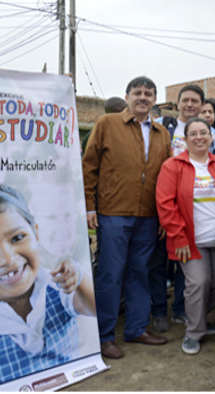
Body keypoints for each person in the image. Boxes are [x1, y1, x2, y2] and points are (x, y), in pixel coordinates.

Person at [0, 180, 96, 391]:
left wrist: (79, 278)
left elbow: (97, 309)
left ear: (36, 232)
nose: (8, 259)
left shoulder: (55, 284)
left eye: (17, 238)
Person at [82, 76, 171, 359]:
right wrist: (89, 207)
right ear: (127, 96)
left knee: (139, 273)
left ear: (154, 99)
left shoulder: (161, 133)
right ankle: (105, 335)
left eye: (148, 93)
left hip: (148, 216)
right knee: (110, 274)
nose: (142, 97)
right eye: (137, 92)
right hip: (113, 213)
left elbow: (166, 177)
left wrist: (163, 217)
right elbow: (89, 167)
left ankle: (136, 328)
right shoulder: (107, 124)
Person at [156, 118, 215, 355]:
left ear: (211, 138)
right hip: (189, 240)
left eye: (204, 133)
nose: (199, 137)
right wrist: (178, 236)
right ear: (186, 139)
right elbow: (165, 204)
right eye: (193, 134)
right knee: (198, 283)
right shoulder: (173, 166)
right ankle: (194, 331)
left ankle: (197, 317)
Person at [150, 85, 206, 333]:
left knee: (188, 261)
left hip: (194, 210)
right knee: (160, 262)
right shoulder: (163, 128)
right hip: (165, 203)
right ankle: (159, 310)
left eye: (195, 100)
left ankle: (181, 309)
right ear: (178, 102)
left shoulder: (206, 131)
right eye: (186, 100)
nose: (190, 104)